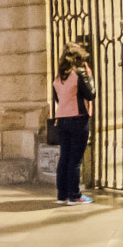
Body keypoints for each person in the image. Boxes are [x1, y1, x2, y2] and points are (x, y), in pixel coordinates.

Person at [51, 45, 94, 205]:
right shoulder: (78, 75)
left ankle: (62, 195)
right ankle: (74, 195)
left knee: (64, 157)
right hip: (77, 119)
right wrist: (89, 76)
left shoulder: (57, 78)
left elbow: (58, 100)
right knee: (75, 160)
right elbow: (91, 94)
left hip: (62, 120)